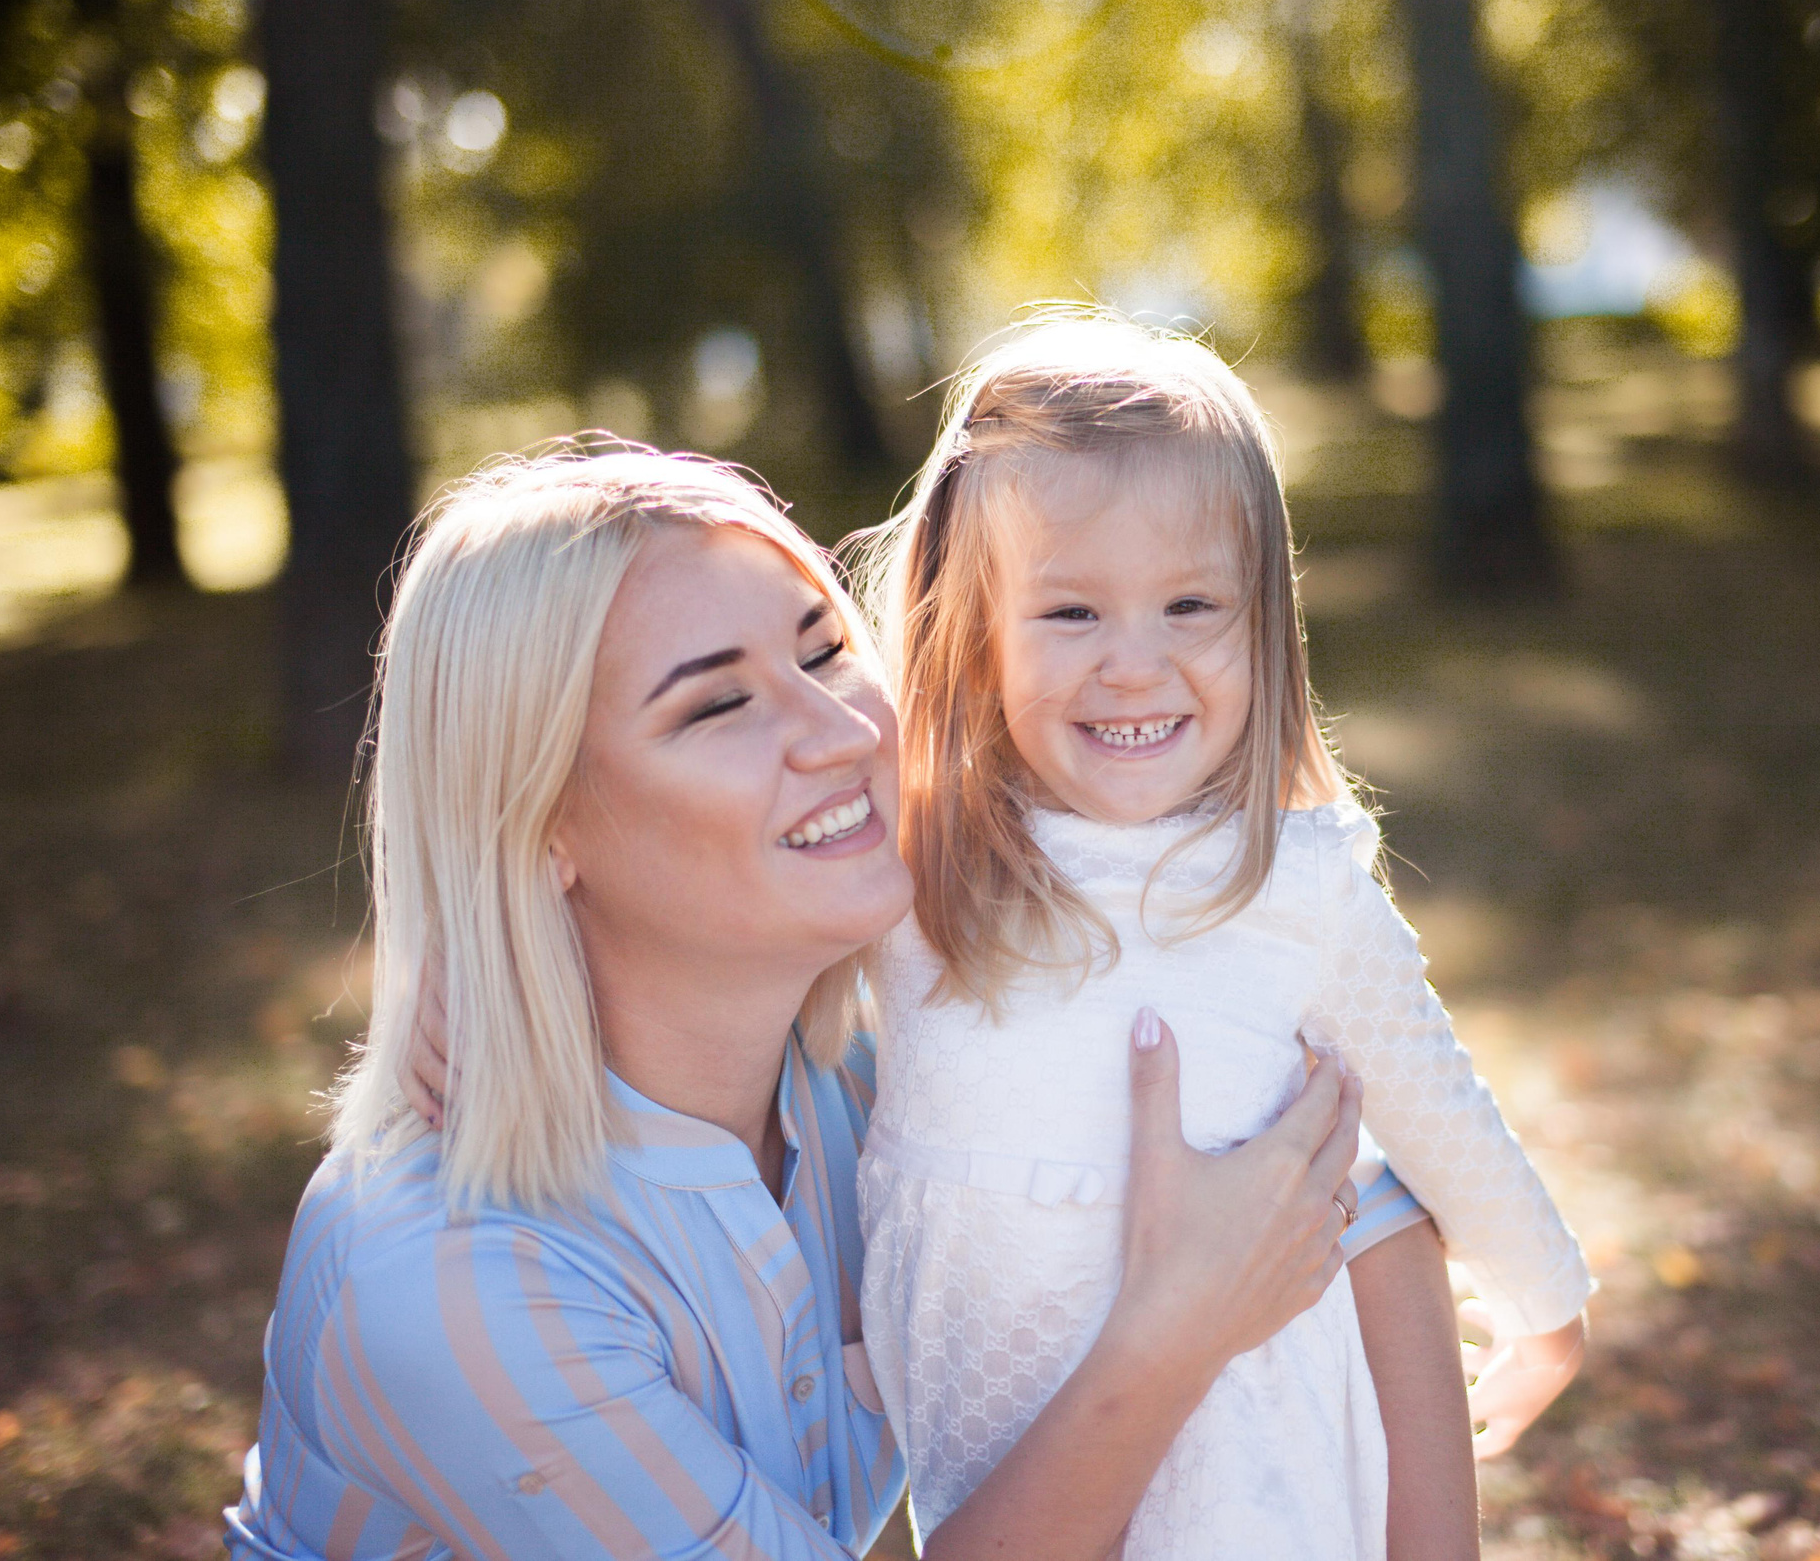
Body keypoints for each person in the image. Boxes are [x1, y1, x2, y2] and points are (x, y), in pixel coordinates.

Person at [221, 446, 1428, 1561]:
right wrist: (1168, 1338)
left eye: (819, 650)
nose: (839, 731)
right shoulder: (450, 1282)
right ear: (535, 827)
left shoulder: (874, 1079)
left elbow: (1329, 1156)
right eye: (715, 705)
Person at [848, 312, 1595, 1561]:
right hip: (1007, 1431)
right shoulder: (914, 873)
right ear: (972, 631)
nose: (1134, 665)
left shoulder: (1291, 887)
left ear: (1266, 628)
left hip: (1251, 1456)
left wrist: (1546, 1306)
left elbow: (1432, 1101)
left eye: (1190, 604)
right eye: (1070, 614)